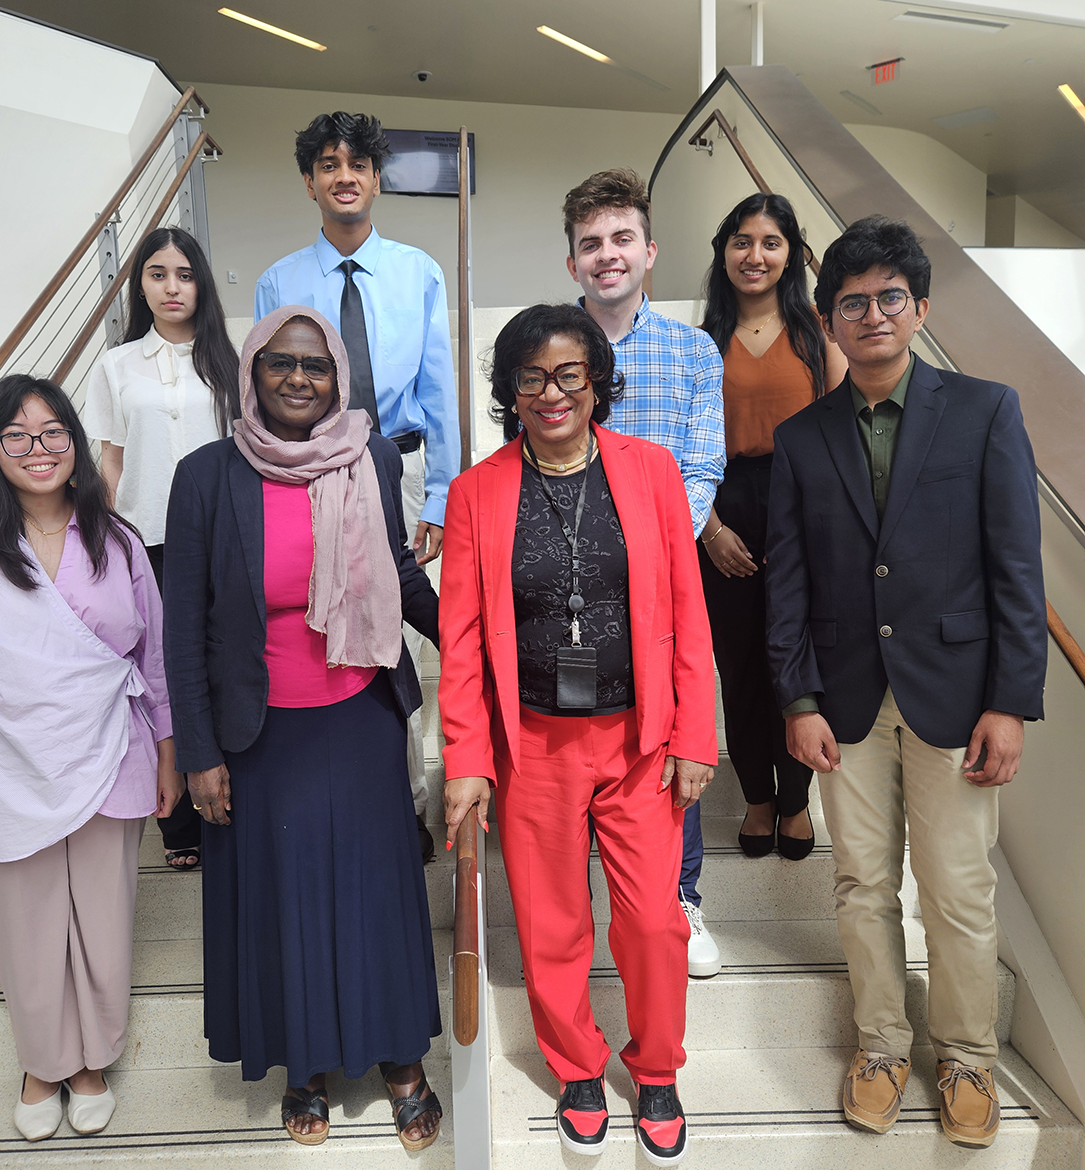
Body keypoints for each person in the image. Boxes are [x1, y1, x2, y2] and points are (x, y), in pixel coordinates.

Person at [766, 216, 1046, 1148]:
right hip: (844, 700)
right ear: (829, 319)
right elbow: (788, 576)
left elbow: (1017, 567)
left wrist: (1011, 700)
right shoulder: (802, 437)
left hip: (959, 699)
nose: (874, 314)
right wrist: (797, 700)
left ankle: (968, 1058)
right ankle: (881, 1046)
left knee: (960, 891)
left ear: (919, 309)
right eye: (854, 302)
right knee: (859, 885)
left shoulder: (985, 410)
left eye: (891, 297)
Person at [440, 304, 718, 1165]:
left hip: (639, 740)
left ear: (597, 380)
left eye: (569, 374)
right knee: (551, 922)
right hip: (533, 744)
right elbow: (458, 646)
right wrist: (466, 760)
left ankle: (658, 1064)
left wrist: (695, 736)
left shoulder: (653, 472)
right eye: (531, 376)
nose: (552, 392)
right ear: (509, 390)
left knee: (652, 922)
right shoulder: (475, 492)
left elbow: (686, 611)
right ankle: (577, 1066)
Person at [162, 305, 443, 1150]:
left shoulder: (370, 456)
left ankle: (399, 1056)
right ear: (251, 372)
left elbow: (394, 565)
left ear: (338, 378)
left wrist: (470, 633)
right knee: (281, 897)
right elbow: (184, 626)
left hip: (359, 715)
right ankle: (305, 1063)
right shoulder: (207, 474)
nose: (297, 378)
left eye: (315, 366)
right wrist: (201, 752)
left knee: (379, 890)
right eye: (280, 363)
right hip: (258, 732)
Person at [0, 374, 178, 1141]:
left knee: (101, 916)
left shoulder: (118, 536)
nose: (39, 449)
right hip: (5, 762)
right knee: (23, 924)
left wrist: (167, 753)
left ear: (76, 441)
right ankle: (41, 1062)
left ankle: (92, 1057)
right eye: (18, 435)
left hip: (110, 750)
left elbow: (153, 656)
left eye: (54, 431)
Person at [254, 112, 459, 863]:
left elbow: (440, 392)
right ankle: (374, 792)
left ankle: (409, 800)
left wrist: (441, 493)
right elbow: (267, 393)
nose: (345, 175)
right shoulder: (281, 280)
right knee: (338, 640)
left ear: (377, 179)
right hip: (312, 477)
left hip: (397, 470)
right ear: (310, 181)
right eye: (329, 164)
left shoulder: (418, 271)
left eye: (359, 164)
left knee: (401, 632)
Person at [563, 168, 725, 977]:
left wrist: (651, 556)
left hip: (661, 586)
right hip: (568, 594)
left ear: (650, 251)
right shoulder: (552, 347)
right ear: (572, 264)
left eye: (621, 238)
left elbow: (703, 469)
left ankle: (680, 895)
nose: (607, 255)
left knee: (670, 739)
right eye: (590, 244)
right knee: (582, 737)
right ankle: (584, 896)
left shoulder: (693, 351)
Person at [698, 193, 847, 859]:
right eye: (741, 240)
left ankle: (796, 802)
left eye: (770, 242)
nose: (754, 255)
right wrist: (709, 528)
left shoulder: (819, 333)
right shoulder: (700, 342)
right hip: (724, 510)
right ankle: (757, 798)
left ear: (791, 255)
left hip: (805, 509)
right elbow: (683, 448)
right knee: (739, 664)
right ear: (724, 252)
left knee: (797, 659)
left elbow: (845, 436)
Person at [87, 225, 239, 871]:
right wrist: (111, 540)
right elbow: (111, 462)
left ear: (200, 282)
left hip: (226, 536)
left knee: (222, 661)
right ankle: (178, 823)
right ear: (139, 285)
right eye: (157, 274)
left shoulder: (229, 365)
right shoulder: (116, 366)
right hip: (148, 539)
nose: (171, 286)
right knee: (164, 674)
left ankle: (232, 793)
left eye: (183, 273)